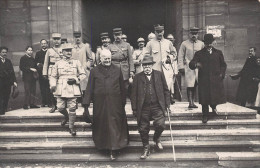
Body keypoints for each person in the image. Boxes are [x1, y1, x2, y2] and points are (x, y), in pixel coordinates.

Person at [82, 49, 129, 161]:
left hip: (115, 104)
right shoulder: (94, 71)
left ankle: (114, 149)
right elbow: (89, 88)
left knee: (114, 125)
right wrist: (86, 105)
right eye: (105, 59)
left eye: (109, 58)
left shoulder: (117, 70)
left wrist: (123, 103)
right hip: (100, 105)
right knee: (103, 125)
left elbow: (122, 88)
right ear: (100, 59)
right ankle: (103, 147)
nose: (107, 60)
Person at [131, 55, 170, 159]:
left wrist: (167, 104)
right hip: (143, 107)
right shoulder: (137, 77)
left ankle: (156, 139)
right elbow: (133, 94)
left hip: (157, 106)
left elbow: (166, 90)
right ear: (142, 67)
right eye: (145, 66)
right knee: (143, 129)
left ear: (152, 65)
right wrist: (134, 108)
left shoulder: (159, 75)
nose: (147, 67)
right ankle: (146, 147)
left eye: (149, 65)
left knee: (161, 125)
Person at [49, 43, 86, 136]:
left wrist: (75, 80)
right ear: (62, 52)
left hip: (73, 88)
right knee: (60, 107)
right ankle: (67, 117)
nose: (69, 52)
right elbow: (53, 76)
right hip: (60, 87)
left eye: (70, 50)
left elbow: (83, 74)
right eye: (67, 51)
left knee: (72, 108)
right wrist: (53, 85)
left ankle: (71, 127)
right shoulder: (58, 63)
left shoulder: (76, 62)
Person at [189, 34, 227, 123]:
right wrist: (196, 64)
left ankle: (213, 107)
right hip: (204, 80)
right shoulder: (199, 53)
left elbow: (223, 65)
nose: (208, 45)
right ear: (204, 43)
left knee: (215, 96)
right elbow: (191, 63)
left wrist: (222, 74)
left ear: (213, 42)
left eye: (210, 43)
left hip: (215, 79)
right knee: (204, 98)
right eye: (206, 43)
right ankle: (205, 115)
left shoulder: (218, 53)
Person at [178, 27, 204, 108]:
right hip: (188, 68)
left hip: (198, 68)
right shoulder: (184, 44)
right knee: (190, 85)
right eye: (192, 33)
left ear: (198, 34)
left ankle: (194, 101)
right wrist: (181, 67)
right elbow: (180, 56)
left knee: (196, 84)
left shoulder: (201, 44)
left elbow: (204, 56)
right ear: (189, 34)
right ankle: (190, 102)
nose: (194, 35)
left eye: (195, 33)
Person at [108, 28, 134, 95]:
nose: (117, 37)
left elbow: (130, 59)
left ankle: (123, 102)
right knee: (115, 88)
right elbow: (108, 60)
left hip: (124, 69)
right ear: (113, 36)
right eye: (115, 35)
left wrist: (131, 71)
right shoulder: (110, 46)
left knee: (125, 88)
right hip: (114, 69)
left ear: (121, 35)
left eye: (119, 35)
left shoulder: (127, 45)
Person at [42, 33, 63, 113]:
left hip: (61, 70)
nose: (56, 41)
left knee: (61, 87)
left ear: (60, 40)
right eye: (55, 39)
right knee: (52, 88)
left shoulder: (64, 49)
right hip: (52, 70)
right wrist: (44, 73)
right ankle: (54, 105)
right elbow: (46, 62)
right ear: (52, 40)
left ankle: (61, 105)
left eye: (58, 39)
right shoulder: (49, 50)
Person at [0, 47, 17, 115]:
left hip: (8, 82)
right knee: (1, 96)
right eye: (3, 52)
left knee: (6, 95)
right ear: (0, 52)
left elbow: (12, 72)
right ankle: (1, 110)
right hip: (0, 82)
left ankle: (4, 109)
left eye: (5, 52)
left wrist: (14, 81)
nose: (4, 54)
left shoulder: (8, 61)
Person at [35, 39, 52, 107]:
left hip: (49, 72)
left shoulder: (50, 52)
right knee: (42, 87)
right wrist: (39, 64)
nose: (43, 45)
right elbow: (35, 62)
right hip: (41, 72)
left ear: (47, 44)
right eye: (42, 43)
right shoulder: (38, 53)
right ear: (40, 44)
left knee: (49, 87)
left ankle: (50, 102)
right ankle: (44, 102)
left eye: (45, 43)